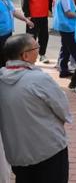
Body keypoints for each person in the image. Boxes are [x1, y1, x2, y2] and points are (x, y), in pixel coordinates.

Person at [0, 34, 72, 183]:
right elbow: (63, 109)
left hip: (17, 154)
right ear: (25, 55)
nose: (38, 50)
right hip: (49, 150)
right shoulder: (39, 79)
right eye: (36, 47)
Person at [22, 0, 52, 64]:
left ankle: (42, 55)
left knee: (44, 37)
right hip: (33, 17)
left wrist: (52, 11)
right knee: (31, 38)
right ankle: (27, 58)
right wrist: (27, 16)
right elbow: (24, 1)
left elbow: (50, 0)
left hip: (44, 16)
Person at [53, 0, 76, 78]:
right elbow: (68, 13)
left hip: (64, 26)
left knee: (66, 49)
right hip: (67, 27)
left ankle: (63, 70)